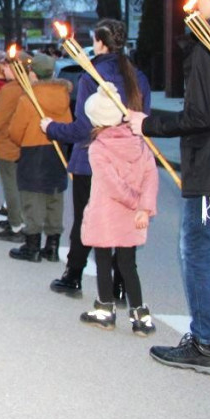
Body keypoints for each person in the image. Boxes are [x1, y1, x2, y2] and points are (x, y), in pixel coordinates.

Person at [128, 0, 210, 374]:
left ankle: (205, 343)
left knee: (195, 249)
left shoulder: (209, 42)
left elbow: (202, 115)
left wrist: (148, 124)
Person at [41, 19, 151, 298]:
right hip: (129, 160)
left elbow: (83, 128)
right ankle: (122, 283)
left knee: (87, 218)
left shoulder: (92, 76)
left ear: (100, 43)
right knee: (124, 217)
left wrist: (52, 128)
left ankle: (73, 275)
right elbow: (143, 122)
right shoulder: (138, 77)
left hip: (93, 161)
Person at [78, 83, 157, 334]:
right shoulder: (138, 142)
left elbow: (111, 183)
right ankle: (140, 315)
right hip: (131, 217)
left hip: (105, 213)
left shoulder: (99, 148)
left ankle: (105, 309)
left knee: (103, 260)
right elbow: (151, 175)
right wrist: (143, 207)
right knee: (128, 264)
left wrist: (133, 201)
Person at [6, 53, 72, 262]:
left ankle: (32, 246)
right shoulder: (63, 95)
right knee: (54, 196)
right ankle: (52, 245)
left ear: (33, 74)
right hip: (57, 149)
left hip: (33, 151)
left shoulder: (29, 98)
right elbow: (68, 124)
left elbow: (16, 131)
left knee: (32, 198)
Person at [0, 56, 27, 243]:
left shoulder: (11, 89)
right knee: (20, 184)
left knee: (11, 185)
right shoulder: (29, 86)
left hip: (7, 141)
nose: (4, 70)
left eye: (7, 67)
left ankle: (16, 224)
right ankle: (18, 218)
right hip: (24, 142)